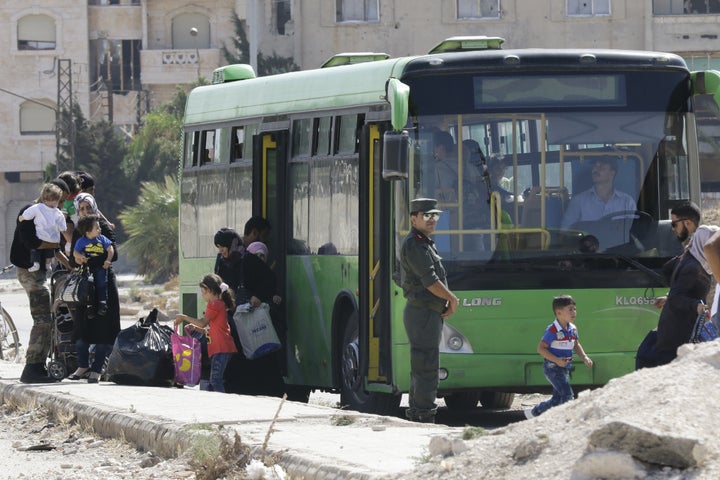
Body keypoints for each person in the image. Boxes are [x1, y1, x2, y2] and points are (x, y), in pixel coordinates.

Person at [636, 201, 718, 368]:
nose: (672, 229)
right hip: (678, 334)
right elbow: (680, 292)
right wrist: (694, 305)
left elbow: (676, 282)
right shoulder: (694, 266)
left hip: (676, 329)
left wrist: (672, 296)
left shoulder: (692, 260)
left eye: (674, 224)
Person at [399, 198, 459, 423]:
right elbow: (430, 281)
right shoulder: (415, 244)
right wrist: (452, 299)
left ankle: (418, 411)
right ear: (414, 218)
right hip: (422, 311)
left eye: (435, 216)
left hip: (426, 311)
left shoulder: (423, 241)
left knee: (423, 361)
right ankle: (424, 413)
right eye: (427, 215)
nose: (432, 220)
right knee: (426, 363)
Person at [11, 178, 71, 383]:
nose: (61, 206)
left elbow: (54, 247)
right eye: (59, 201)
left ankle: (38, 365)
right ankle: (32, 367)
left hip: (38, 273)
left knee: (47, 318)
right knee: (43, 319)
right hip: (30, 272)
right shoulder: (31, 211)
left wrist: (69, 264)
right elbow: (33, 242)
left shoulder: (50, 215)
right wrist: (54, 242)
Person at [66, 195, 120, 383]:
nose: (85, 210)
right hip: (85, 284)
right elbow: (72, 258)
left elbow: (114, 254)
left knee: (104, 325)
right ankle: (83, 365)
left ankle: (97, 368)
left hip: (104, 281)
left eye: (88, 206)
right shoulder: (79, 232)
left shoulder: (102, 227)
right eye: (81, 208)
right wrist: (78, 259)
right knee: (83, 325)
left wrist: (95, 261)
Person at [524, 294, 593, 419]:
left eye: (574, 309)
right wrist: (556, 360)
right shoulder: (552, 330)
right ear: (559, 312)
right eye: (570, 309)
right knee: (567, 395)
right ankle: (562, 421)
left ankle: (534, 413)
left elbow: (576, 345)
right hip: (552, 367)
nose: (574, 312)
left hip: (564, 367)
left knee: (557, 399)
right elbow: (540, 348)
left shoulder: (573, 328)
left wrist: (584, 357)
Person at [175, 274, 237, 392]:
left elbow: (203, 322)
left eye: (203, 292)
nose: (202, 295)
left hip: (221, 349)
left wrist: (184, 317)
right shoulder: (218, 304)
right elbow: (210, 329)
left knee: (215, 380)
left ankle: (223, 404)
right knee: (214, 379)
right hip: (221, 348)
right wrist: (197, 328)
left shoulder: (214, 304)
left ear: (210, 291)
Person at [561, 156, 637, 228]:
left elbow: (635, 230)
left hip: (620, 242)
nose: (595, 170)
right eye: (595, 166)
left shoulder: (627, 201)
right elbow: (566, 231)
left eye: (601, 167)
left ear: (612, 173)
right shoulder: (578, 201)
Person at [18, 183, 67, 272]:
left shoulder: (38, 207)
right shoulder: (57, 212)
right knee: (50, 251)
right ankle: (48, 264)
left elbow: (28, 214)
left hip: (41, 236)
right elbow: (62, 225)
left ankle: (36, 264)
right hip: (53, 239)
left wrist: (22, 218)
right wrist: (63, 229)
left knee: (35, 250)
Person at [73, 215, 114, 317]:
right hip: (87, 269)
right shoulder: (82, 241)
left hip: (101, 268)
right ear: (88, 231)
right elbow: (75, 253)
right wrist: (81, 257)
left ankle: (102, 303)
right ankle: (90, 306)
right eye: (97, 228)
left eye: (99, 227)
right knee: (88, 287)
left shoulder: (102, 238)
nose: (100, 229)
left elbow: (110, 249)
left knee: (102, 284)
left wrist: (108, 260)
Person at [432, 131, 458, 199]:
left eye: (434, 147)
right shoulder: (470, 166)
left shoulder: (437, 168)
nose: (433, 150)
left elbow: (429, 193)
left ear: (441, 147)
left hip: (447, 207)